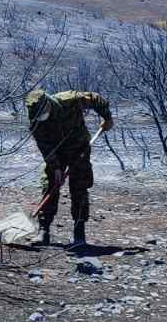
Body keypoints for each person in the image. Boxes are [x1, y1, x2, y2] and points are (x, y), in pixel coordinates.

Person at [24, 88, 114, 247]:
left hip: (79, 149)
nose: (41, 118)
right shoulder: (36, 122)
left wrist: (107, 117)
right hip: (56, 153)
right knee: (50, 185)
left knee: (79, 187)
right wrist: (56, 167)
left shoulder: (70, 100)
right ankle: (43, 231)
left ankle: (79, 232)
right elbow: (45, 147)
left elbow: (95, 98)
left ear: (48, 106)